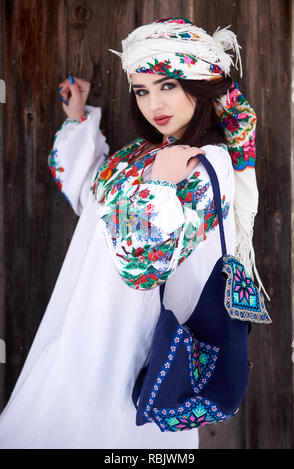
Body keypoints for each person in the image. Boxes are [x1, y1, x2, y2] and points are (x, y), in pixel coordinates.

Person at [0, 17, 267, 449]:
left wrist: (160, 185)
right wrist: (77, 119)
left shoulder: (208, 161)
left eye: (168, 85)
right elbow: (93, 199)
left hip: (133, 343)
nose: (153, 103)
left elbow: (143, 263)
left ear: (198, 85)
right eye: (142, 90)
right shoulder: (139, 155)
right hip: (83, 325)